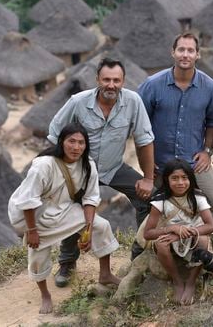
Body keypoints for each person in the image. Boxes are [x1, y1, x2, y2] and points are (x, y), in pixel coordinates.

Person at [48, 58, 155, 286]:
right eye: (106, 79)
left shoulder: (133, 101)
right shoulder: (78, 102)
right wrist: (62, 172)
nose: (111, 85)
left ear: (123, 81)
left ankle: (141, 254)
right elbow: (54, 133)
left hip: (113, 167)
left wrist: (147, 178)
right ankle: (67, 263)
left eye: (116, 80)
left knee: (150, 197)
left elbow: (144, 139)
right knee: (72, 207)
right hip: (81, 169)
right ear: (97, 80)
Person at [8, 123, 121, 314]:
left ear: (86, 145)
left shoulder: (88, 165)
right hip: (34, 215)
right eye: (71, 141)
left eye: (81, 143)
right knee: (38, 252)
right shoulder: (44, 165)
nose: (76, 147)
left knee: (101, 226)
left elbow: (90, 198)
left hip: (63, 208)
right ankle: (45, 295)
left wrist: (87, 230)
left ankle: (105, 274)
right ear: (62, 142)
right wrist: (32, 231)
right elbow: (28, 200)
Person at [137, 32, 213, 247]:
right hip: (159, 164)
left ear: (198, 55)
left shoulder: (210, 87)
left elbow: (212, 123)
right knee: (149, 204)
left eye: (190, 50)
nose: (185, 54)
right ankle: (142, 251)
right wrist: (147, 160)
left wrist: (207, 151)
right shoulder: (152, 85)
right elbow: (140, 126)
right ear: (173, 52)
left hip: (194, 163)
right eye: (181, 49)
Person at [143, 158, 213, 305]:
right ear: (167, 180)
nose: (180, 183)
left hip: (193, 236)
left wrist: (182, 234)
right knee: (161, 244)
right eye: (174, 178)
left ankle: (190, 282)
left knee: (204, 241)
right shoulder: (160, 201)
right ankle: (177, 280)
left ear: (190, 179)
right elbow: (148, 233)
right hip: (169, 238)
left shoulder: (198, 197)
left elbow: (210, 226)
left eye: (184, 178)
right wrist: (171, 229)